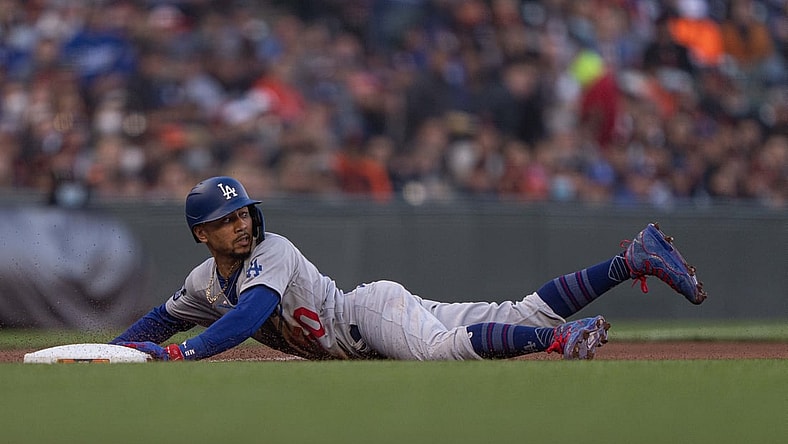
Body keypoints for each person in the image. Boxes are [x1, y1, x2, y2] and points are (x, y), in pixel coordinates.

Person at [112, 176, 707, 361]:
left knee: (442, 351)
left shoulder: (272, 251)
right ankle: (632, 260)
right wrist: (107, 352)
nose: (242, 224)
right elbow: (160, 321)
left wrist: (185, 355)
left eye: (244, 212)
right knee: (515, 312)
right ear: (201, 233)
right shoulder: (202, 283)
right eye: (227, 218)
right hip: (368, 320)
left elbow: (252, 314)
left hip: (364, 317)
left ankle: (558, 339)